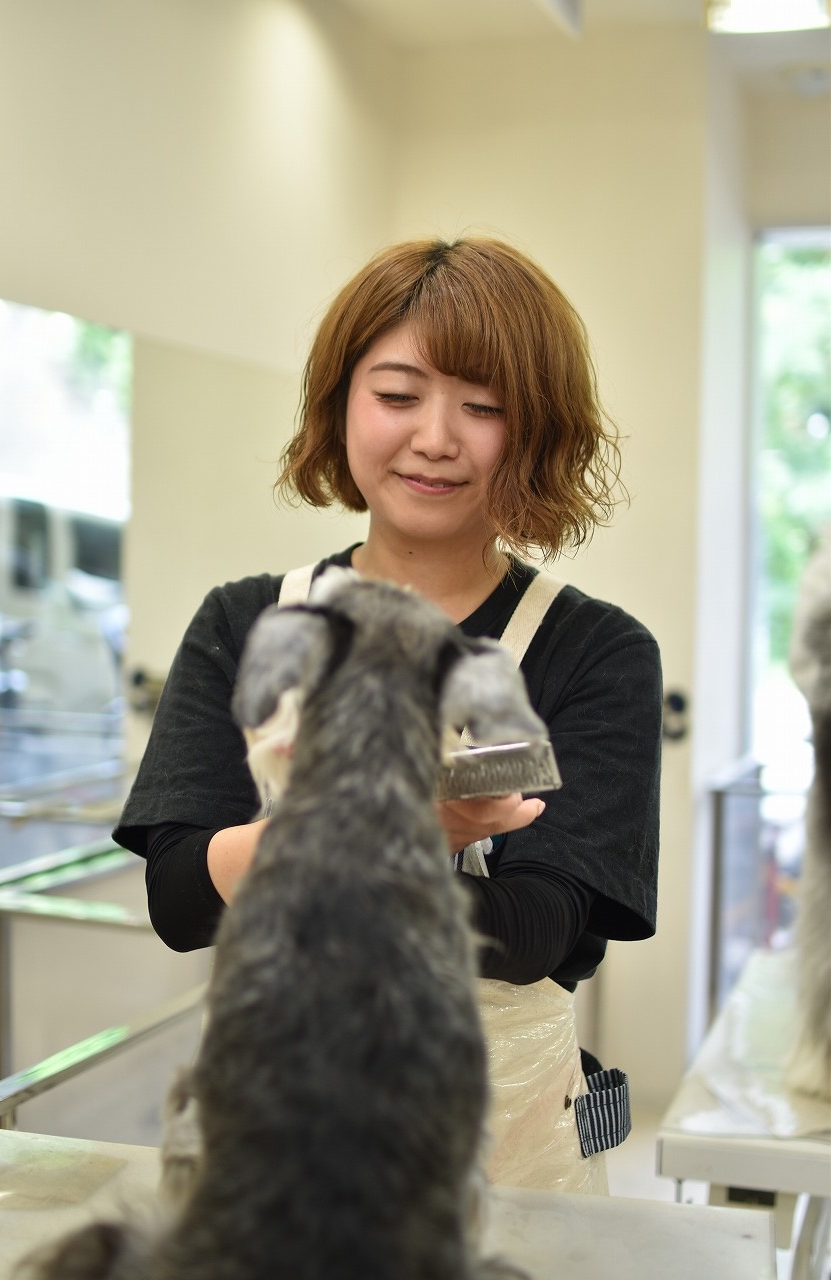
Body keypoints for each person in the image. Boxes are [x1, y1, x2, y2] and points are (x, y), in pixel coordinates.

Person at [113, 236, 662, 1189]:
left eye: (483, 407)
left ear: (535, 430)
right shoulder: (245, 622)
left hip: (504, 1155)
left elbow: (532, 925)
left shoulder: (595, 653)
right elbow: (182, 899)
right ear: (340, 404)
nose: (436, 438)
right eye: (398, 395)